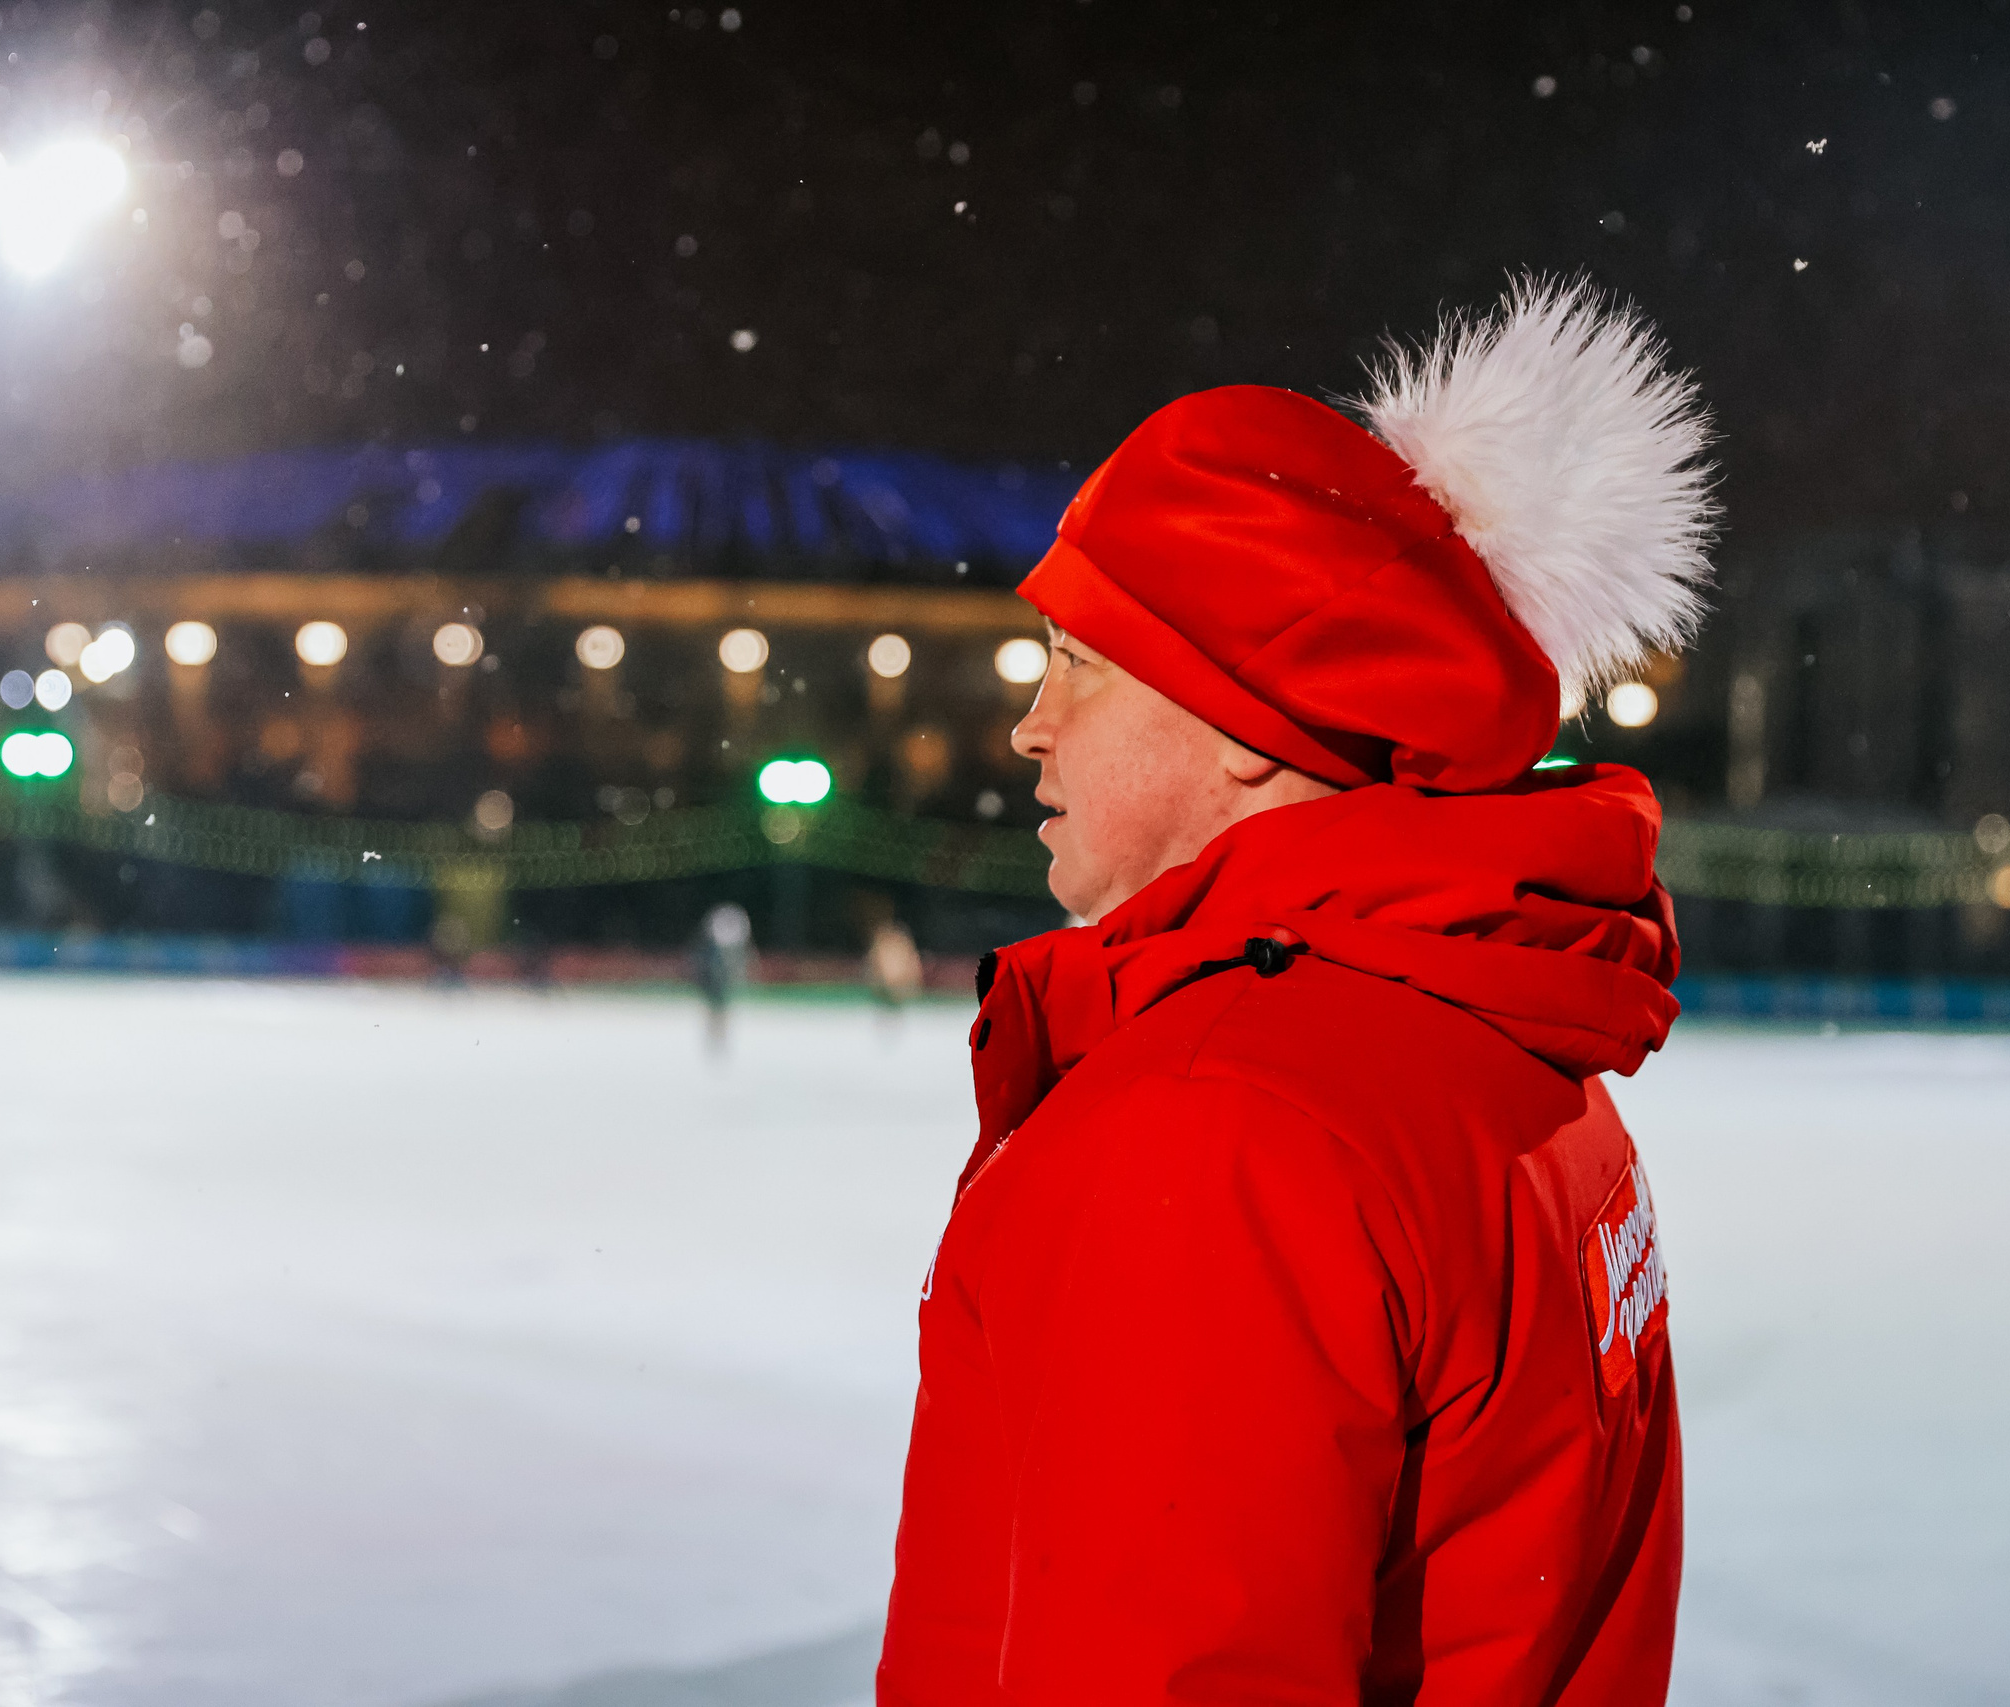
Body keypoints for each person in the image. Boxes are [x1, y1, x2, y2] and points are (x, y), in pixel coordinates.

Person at [879, 279, 1709, 1705]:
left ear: (1243, 728)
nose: (1030, 725)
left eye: (1078, 665)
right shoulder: (1502, 1050)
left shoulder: (1216, 1129)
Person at [693, 900, 754, 1052]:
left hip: (719, 979)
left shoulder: (726, 936)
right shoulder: (717, 946)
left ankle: (718, 1034)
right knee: (716, 1006)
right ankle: (716, 1034)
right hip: (714, 979)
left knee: (720, 1006)